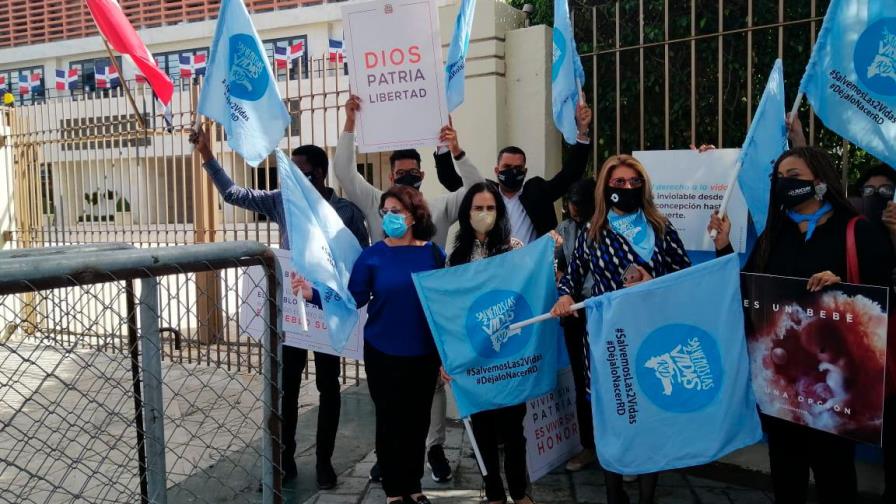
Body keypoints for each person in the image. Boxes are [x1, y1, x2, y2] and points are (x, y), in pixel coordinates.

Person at [707, 146, 894, 504]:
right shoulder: (776, 233)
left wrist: (842, 286)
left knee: (834, 473)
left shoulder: (857, 231)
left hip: (836, 385)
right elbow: (751, 293)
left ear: (820, 182)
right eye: (779, 178)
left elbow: (881, 296)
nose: (783, 184)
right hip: (783, 384)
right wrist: (723, 246)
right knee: (785, 470)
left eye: (793, 177)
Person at [189, 125, 369, 489]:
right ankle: (284, 460)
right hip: (294, 311)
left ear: (317, 173)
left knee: (329, 385)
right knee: (286, 386)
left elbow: (360, 263)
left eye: (298, 172)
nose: (289, 180)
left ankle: (323, 461)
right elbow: (234, 194)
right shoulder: (284, 200)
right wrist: (207, 155)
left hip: (328, 311)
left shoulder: (346, 212)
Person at [333, 95, 480, 483]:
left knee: (430, 392)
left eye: (412, 173)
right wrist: (350, 123)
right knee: (388, 396)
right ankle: (388, 455)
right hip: (389, 316)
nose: (406, 179)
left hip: (429, 315)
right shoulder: (376, 203)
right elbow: (345, 171)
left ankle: (432, 449)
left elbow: (478, 189)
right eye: (400, 173)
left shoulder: (441, 205)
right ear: (391, 174)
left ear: (422, 175)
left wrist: (456, 147)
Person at [551, 154, 691, 504]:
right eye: (618, 182)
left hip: (650, 335)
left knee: (648, 416)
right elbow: (572, 273)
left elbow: (684, 274)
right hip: (606, 337)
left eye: (633, 182)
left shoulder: (660, 227)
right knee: (610, 417)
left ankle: (646, 496)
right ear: (605, 187)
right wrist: (565, 295)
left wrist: (652, 279)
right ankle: (614, 493)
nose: (627, 188)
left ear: (643, 186)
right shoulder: (592, 230)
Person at [347, 185, 445, 504]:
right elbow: (351, 300)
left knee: (418, 421)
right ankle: (393, 491)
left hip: (424, 353)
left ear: (414, 215)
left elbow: (446, 306)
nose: (389, 217)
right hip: (383, 352)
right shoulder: (372, 255)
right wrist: (313, 294)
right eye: (384, 212)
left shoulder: (433, 254)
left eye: (396, 211)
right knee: (390, 421)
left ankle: (413, 487)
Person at [441, 181, 531, 504]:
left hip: (509, 354)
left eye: (490, 208)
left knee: (513, 431)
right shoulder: (457, 256)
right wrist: (447, 358)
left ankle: (520, 493)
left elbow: (531, 291)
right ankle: (494, 493)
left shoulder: (515, 249)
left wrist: (550, 255)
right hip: (472, 357)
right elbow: (449, 311)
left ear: (500, 211)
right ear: (467, 213)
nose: (484, 213)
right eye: (478, 208)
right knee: (481, 432)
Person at [489, 102, 592, 245]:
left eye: (518, 168)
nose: (512, 171)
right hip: (495, 265)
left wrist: (582, 131)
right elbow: (457, 183)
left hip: (534, 265)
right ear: (496, 170)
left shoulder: (537, 193)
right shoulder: (486, 196)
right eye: (506, 166)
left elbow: (570, 175)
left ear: (525, 171)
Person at [553, 178, 598, 472]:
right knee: (583, 382)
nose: (574, 211)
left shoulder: (606, 227)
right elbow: (555, 262)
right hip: (574, 315)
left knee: (609, 380)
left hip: (601, 311)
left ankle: (621, 450)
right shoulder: (565, 229)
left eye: (580, 206)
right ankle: (588, 447)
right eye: (571, 205)